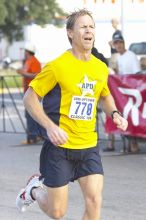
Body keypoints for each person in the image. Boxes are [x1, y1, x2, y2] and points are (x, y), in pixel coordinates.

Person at [16, 9, 128, 220]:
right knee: (57, 212)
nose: (89, 31)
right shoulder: (57, 66)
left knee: (94, 202)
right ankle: (33, 190)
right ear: (70, 33)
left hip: (88, 146)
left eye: (92, 27)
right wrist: (50, 126)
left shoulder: (100, 67)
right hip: (59, 148)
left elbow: (104, 95)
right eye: (83, 27)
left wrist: (114, 113)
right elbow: (29, 98)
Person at [109, 33, 141, 153]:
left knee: (134, 117)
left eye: (120, 42)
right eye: (115, 43)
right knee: (126, 117)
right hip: (124, 93)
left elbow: (137, 75)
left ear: (124, 43)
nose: (118, 45)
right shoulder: (120, 58)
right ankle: (130, 143)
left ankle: (134, 143)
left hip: (133, 93)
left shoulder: (131, 56)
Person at [17, 42, 42, 144]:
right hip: (28, 90)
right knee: (31, 114)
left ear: (27, 51)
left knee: (31, 114)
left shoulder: (34, 61)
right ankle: (37, 135)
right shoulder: (28, 61)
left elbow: (36, 75)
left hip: (33, 91)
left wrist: (24, 73)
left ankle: (33, 136)